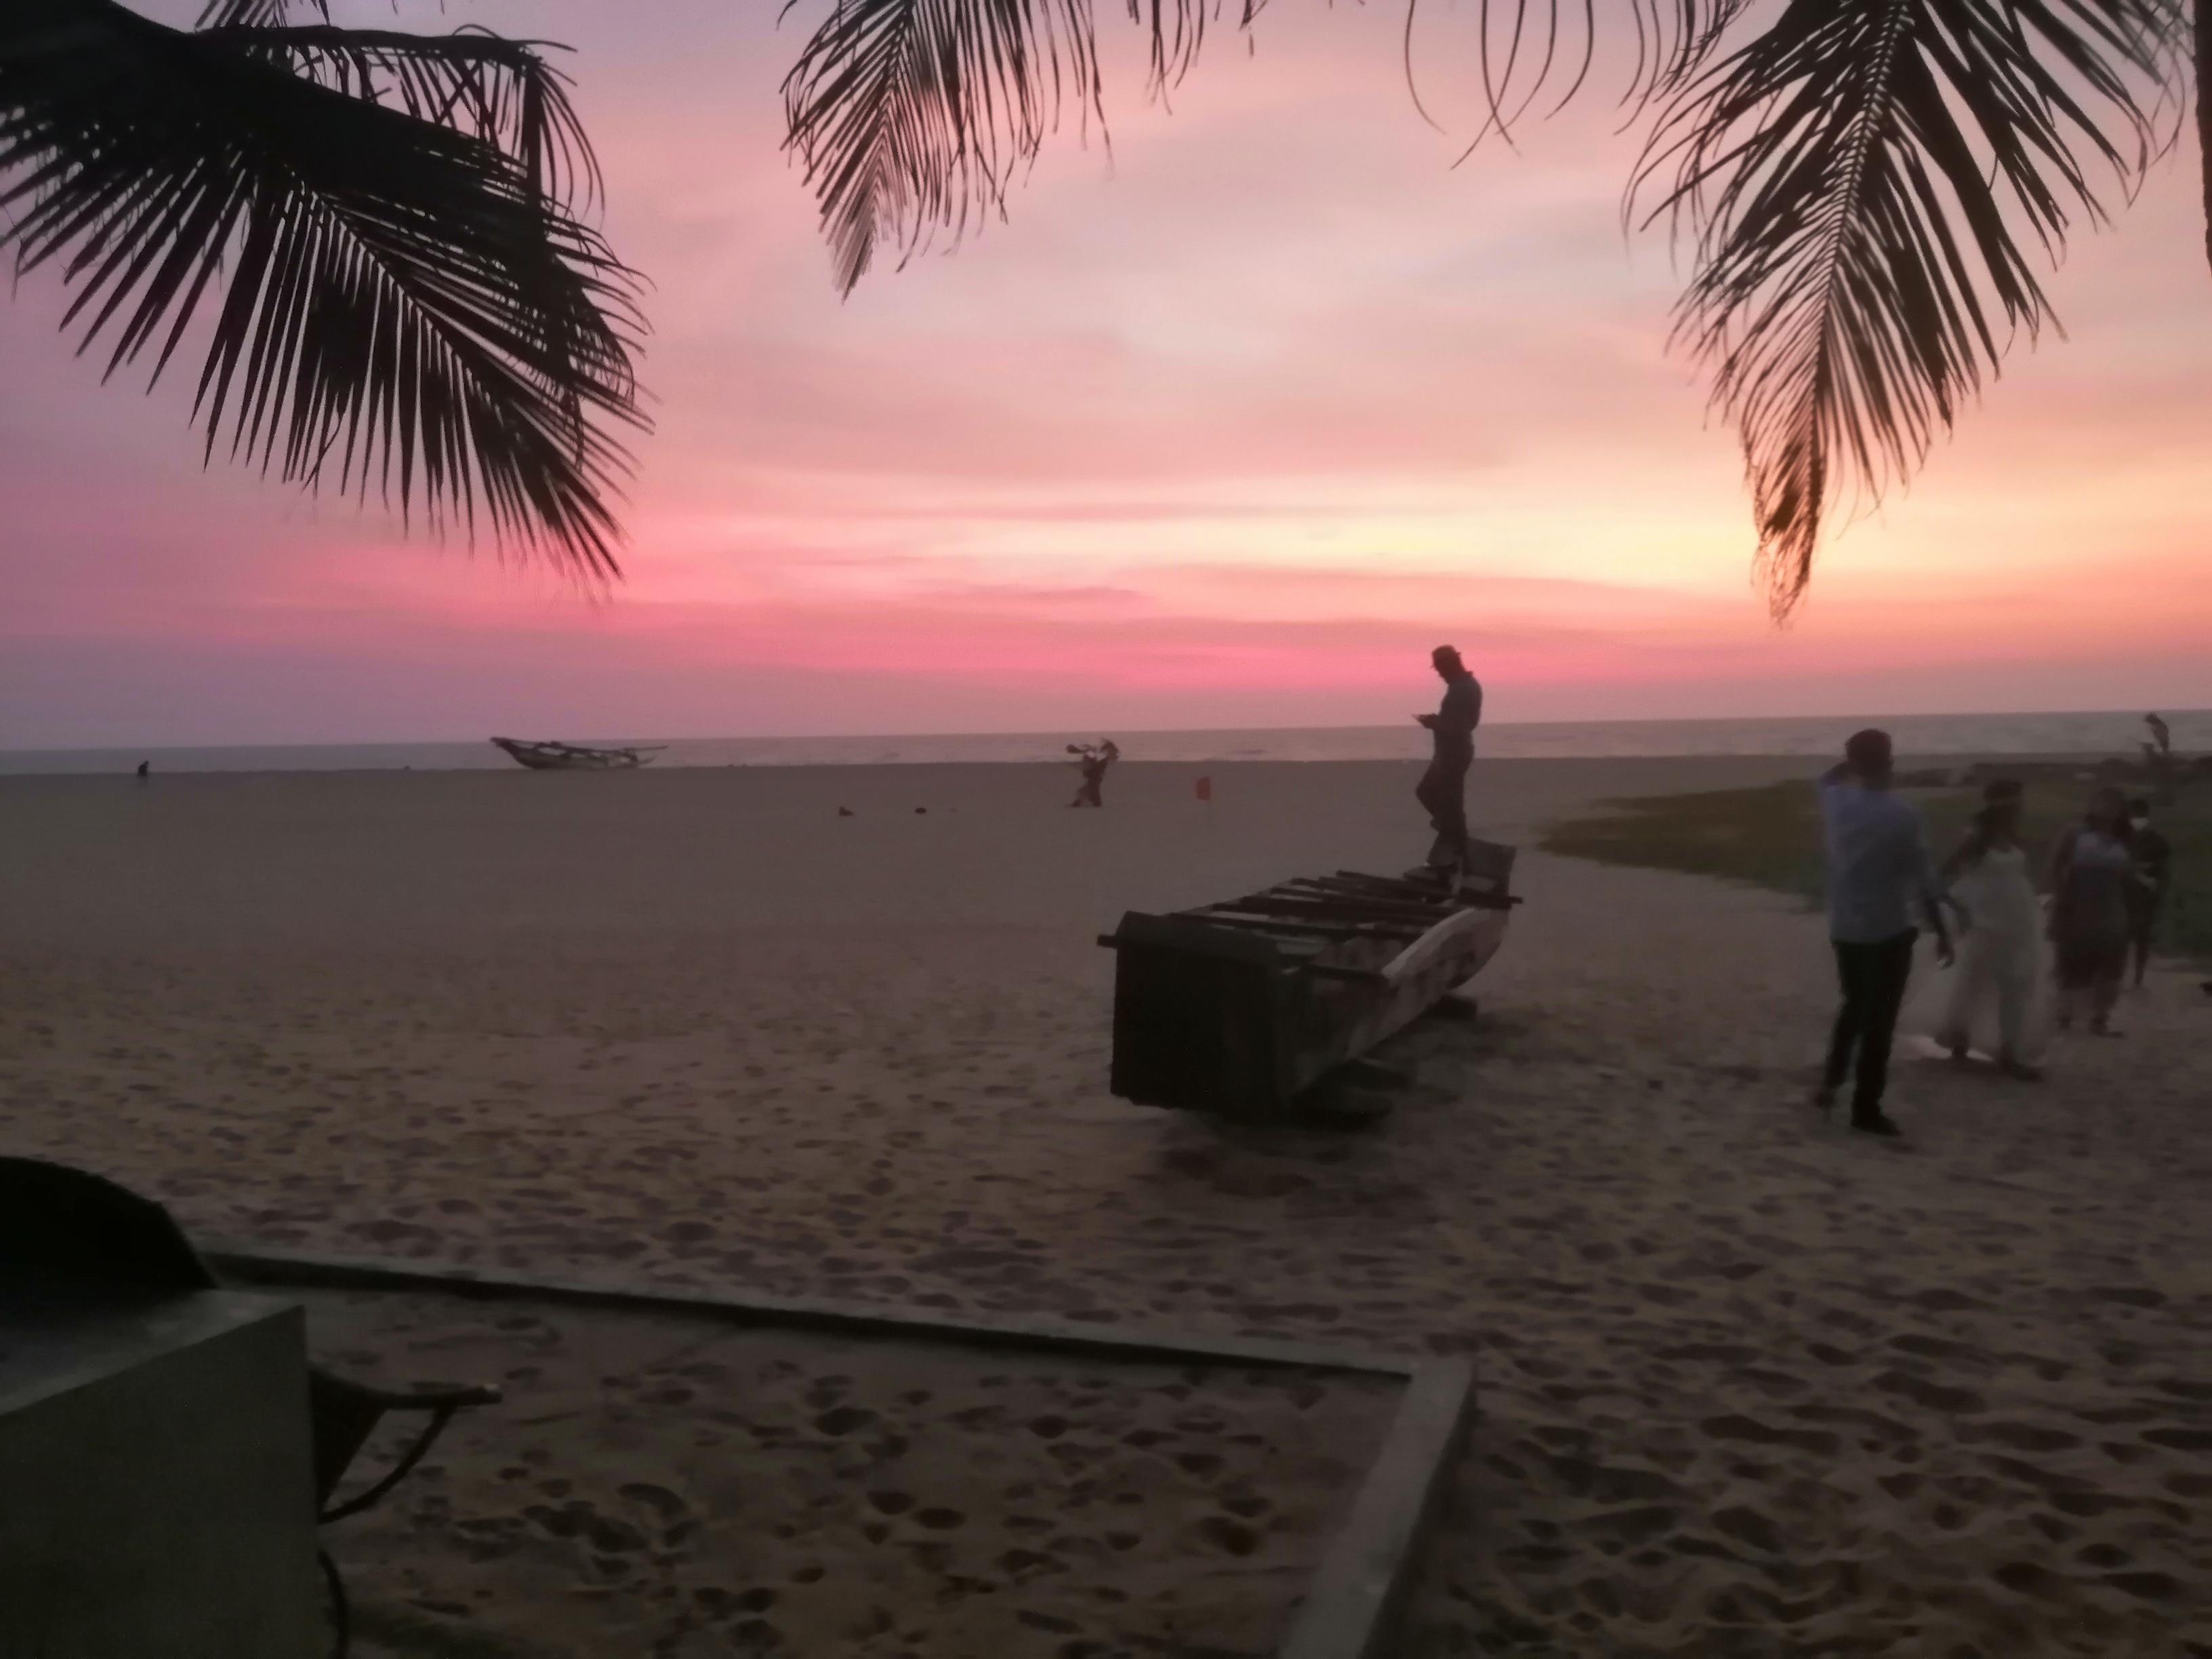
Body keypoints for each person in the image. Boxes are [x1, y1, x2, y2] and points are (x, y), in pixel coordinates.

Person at [1816, 729, 1954, 1137]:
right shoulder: (1903, 815)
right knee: (1880, 1020)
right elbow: (1922, 878)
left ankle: (1831, 1082)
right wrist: (1942, 929)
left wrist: (1851, 763)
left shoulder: (1836, 801)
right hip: (1889, 927)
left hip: (1845, 925)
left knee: (1854, 1006)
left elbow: (1828, 778)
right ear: (1890, 764)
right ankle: (1865, 1106)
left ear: (1855, 763)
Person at [1933, 780, 2045, 1078]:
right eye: (2017, 804)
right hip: (1988, 923)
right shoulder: (1979, 838)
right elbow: (1945, 871)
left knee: (2014, 985)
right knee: (1975, 981)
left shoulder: (2012, 836)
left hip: (2017, 921)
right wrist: (1959, 907)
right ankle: (1961, 1042)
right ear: (2006, 806)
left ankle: (2008, 1053)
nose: (2021, 809)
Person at [2048, 787, 2133, 1034]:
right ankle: (2064, 1014)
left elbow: (2129, 873)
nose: (2108, 809)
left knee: (2111, 962)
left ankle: (2100, 1018)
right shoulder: (2074, 833)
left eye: (2114, 804)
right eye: (2102, 802)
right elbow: (2055, 866)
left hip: (2113, 907)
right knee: (2071, 961)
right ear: (2092, 805)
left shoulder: (2124, 839)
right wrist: (2056, 901)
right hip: (2077, 904)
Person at [1413, 645, 1482, 869]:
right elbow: (1457, 722)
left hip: (1453, 755)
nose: (1439, 673)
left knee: (1449, 804)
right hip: (1447, 754)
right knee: (1433, 795)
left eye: (1440, 668)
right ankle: (1452, 834)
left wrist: (1433, 723)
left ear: (1450, 665)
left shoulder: (1463, 689)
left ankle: (1458, 846)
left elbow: (1461, 727)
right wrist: (1437, 720)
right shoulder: (1461, 687)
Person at [2123, 798, 2171, 989]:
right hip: (2127, 894)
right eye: (2135, 816)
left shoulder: (2157, 841)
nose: (2137, 820)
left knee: (2142, 938)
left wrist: (2159, 892)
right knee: (2124, 937)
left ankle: (2138, 977)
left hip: (2144, 897)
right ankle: (2124, 976)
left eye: (2139, 816)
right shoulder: (2123, 838)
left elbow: (2163, 871)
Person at [1067, 739, 1119, 808]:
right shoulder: (1099, 758)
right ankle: (1082, 803)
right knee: (1086, 790)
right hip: (1095, 775)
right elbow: (1093, 762)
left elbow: (1096, 763)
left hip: (1095, 776)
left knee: (1090, 790)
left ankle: (1094, 803)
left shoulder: (1101, 759)